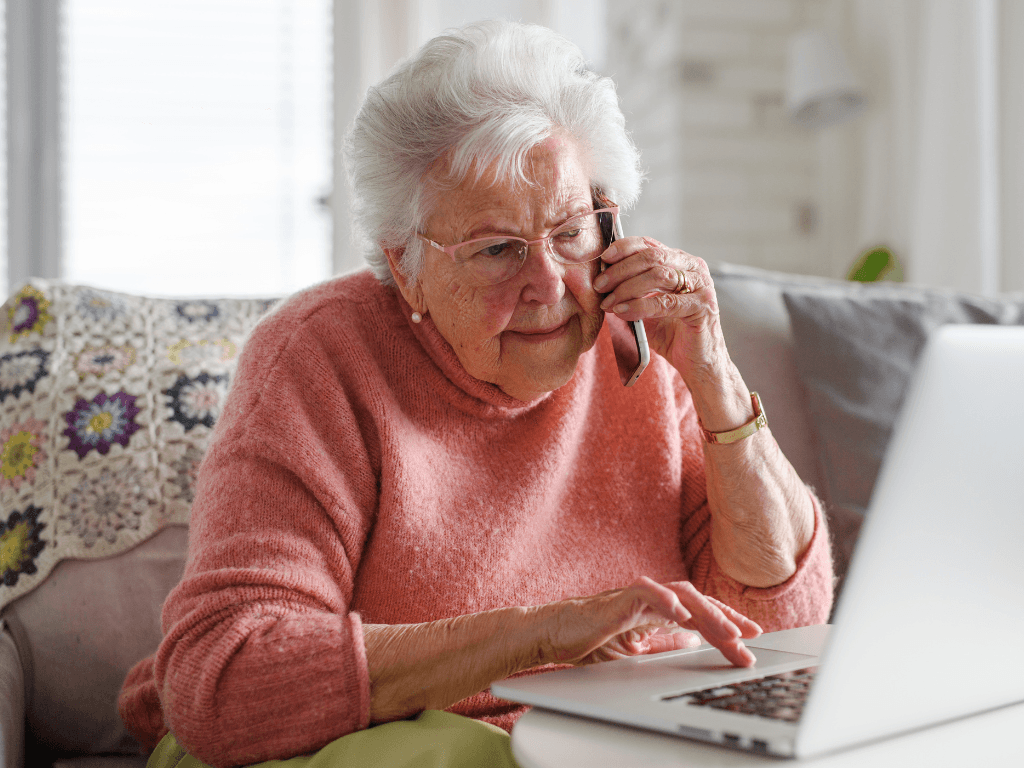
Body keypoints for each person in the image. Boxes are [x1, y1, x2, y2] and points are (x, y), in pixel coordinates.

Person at [119, 19, 833, 768]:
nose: (549, 285)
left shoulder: (644, 348)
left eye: (570, 234)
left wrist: (714, 375)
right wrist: (539, 633)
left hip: (596, 738)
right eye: (497, 250)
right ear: (407, 269)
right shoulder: (318, 358)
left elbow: (779, 623)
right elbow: (229, 680)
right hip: (361, 740)